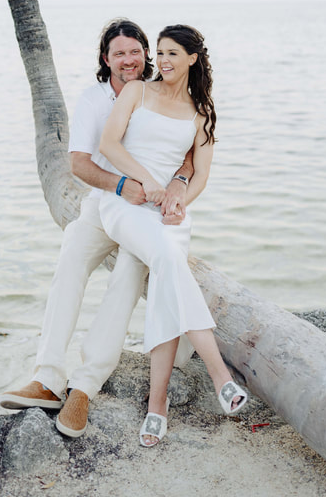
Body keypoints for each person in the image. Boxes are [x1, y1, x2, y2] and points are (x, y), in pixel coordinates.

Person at [0, 19, 193, 437]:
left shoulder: (166, 92)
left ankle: (85, 386)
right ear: (106, 60)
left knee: (126, 275)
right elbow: (79, 163)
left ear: (146, 53)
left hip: (148, 213)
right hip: (104, 203)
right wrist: (121, 184)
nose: (129, 60)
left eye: (136, 51)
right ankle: (48, 375)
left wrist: (178, 184)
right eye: (119, 53)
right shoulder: (94, 99)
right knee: (70, 259)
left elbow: (189, 152)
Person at [99, 24, 248, 447]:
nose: (161, 61)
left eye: (171, 54)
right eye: (159, 53)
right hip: (127, 204)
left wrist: (181, 201)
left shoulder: (201, 110)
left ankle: (156, 404)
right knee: (168, 259)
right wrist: (151, 184)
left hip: (169, 213)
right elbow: (110, 144)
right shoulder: (136, 93)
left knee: (167, 274)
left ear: (192, 59)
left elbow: (201, 174)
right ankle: (220, 375)